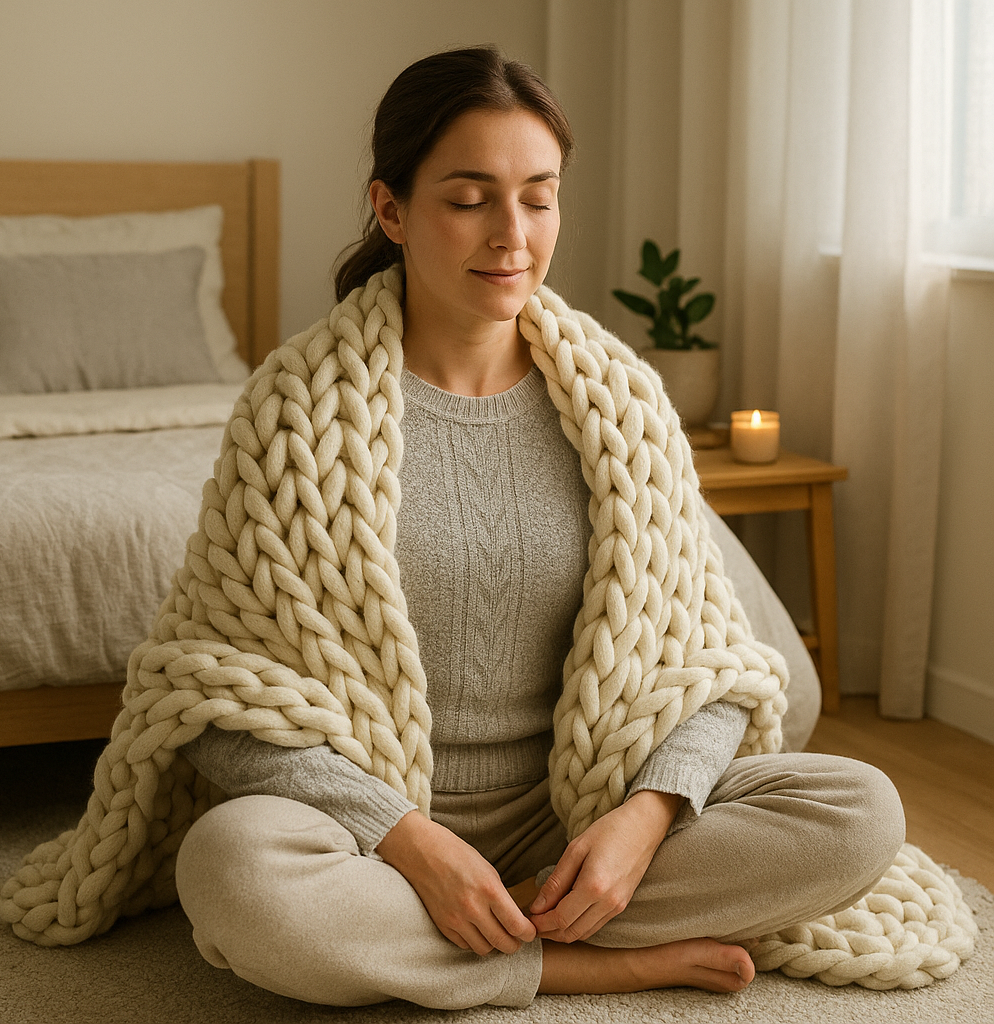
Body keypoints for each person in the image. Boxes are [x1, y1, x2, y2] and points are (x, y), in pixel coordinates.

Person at [174, 46, 905, 1009]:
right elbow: (217, 704)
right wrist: (408, 838)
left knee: (861, 811)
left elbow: (714, 666)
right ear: (390, 209)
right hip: (373, 839)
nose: (512, 235)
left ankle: (480, 938)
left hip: (579, 826)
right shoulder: (294, 414)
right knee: (232, 868)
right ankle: (584, 961)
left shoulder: (622, 402)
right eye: (470, 198)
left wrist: (645, 818)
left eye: (540, 196)